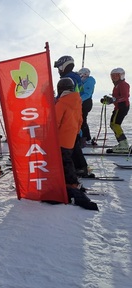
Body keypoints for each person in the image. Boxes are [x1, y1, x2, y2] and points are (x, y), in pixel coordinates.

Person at [55, 78, 98, 211]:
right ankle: (72, 181)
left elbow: (55, 121)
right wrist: (75, 134)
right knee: (68, 159)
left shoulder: (62, 102)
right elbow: (80, 120)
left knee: (64, 161)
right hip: (71, 137)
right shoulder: (77, 101)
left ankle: (71, 183)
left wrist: (50, 135)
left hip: (61, 138)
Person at [54, 55, 94, 178]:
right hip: (76, 108)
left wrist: (56, 102)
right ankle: (80, 167)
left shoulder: (69, 78)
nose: (59, 70)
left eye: (59, 67)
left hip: (70, 110)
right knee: (73, 141)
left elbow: (66, 96)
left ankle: (79, 168)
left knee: (70, 144)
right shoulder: (75, 77)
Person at [100, 68, 130, 153]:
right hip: (118, 107)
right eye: (113, 76)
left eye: (116, 76)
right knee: (114, 124)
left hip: (122, 107)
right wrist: (108, 100)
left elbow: (125, 96)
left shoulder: (123, 84)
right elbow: (116, 98)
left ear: (121, 75)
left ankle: (124, 145)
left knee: (115, 124)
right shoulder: (117, 85)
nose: (114, 78)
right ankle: (123, 144)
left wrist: (113, 99)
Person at [78, 68, 96, 145]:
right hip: (82, 102)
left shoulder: (89, 82)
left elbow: (87, 94)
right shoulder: (83, 82)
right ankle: (84, 136)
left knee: (82, 120)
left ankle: (86, 137)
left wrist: (78, 100)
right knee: (81, 119)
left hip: (85, 103)